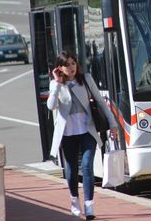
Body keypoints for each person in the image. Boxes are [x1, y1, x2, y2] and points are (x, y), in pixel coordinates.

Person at [47, 51, 118, 219]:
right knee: (71, 170)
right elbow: (51, 106)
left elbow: (100, 101)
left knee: (87, 166)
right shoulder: (55, 84)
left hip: (87, 130)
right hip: (67, 133)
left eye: (73, 63)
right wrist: (57, 83)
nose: (71, 67)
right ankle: (74, 200)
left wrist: (113, 123)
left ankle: (89, 206)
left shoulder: (85, 79)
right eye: (67, 64)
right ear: (60, 68)